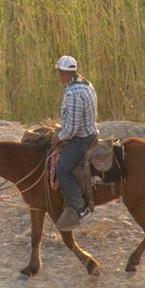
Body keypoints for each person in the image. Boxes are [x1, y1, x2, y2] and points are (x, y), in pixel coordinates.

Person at [52, 55, 98, 231]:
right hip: (89, 132)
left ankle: (79, 206)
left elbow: (72, 129)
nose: (58, 75)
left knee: (62, 169)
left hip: (81, 138)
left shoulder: (72, 92)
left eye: (59, 72)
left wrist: (59, 136)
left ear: (63, 73)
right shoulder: (86, 84)